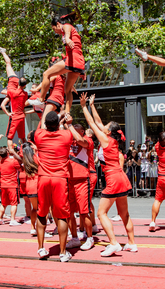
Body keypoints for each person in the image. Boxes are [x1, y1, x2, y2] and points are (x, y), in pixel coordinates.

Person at [80, 93, 136, 257]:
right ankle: (131, 243)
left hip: (113, 178)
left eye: (107, 126)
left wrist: (83, 106)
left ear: (109, 131)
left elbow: (92, 122)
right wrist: (92, 106)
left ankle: (113, 243)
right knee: (124, 214)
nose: (103, 126)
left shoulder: (105, 140)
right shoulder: (113, 140)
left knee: (100, 213)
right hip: (121, 177)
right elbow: (98, 122)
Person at [34, 111, 73, 262]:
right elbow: (67, 130)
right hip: (60, 178)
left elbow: (43, 124)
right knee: (62, 215)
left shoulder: (39, 135)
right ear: (57, 124)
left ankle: (41, 248)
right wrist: (63, 120)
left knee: (41, 213)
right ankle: (63, 252)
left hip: (43, 178)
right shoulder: (66, 135)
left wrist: (57, 119)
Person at [36, 15, 85, 114]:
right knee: (68, 90)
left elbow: (67, 29)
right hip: (79, 61)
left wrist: (67, 38)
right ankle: (67, 112)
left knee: (46, 74)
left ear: (58, 24)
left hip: (72, 59)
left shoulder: (66, 26)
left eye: (54, 29)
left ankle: (41, 100)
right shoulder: (68, 31)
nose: (55, 31)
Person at [64, 119, 95, 251]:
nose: (73, 134)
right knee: (69, 212)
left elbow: (81, 141)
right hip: (69, 180)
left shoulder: (88, 140)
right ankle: (75, 238)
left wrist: (70, 126)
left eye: (76, 132)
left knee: (84, 212)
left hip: (82, 179)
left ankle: (89, 238)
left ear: (82, 132)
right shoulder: (68, 142)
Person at [0, 47, 28, 153]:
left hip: (15, 115)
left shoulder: (12, 91)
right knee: (22, 137)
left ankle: (3, 52)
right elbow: (4, 94)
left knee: (8, 64)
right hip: (21, 116)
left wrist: (8, 113)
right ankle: (27, 151)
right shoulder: (25, 94)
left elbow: (2, 94)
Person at [0, 147, 22, 226]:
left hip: (3, 184)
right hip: (12, 185)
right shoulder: (13, 161)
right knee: (14, 203)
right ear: (8, 153)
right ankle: (12, 219)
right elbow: (21, 169)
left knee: (3, 203)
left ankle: (0, 218)